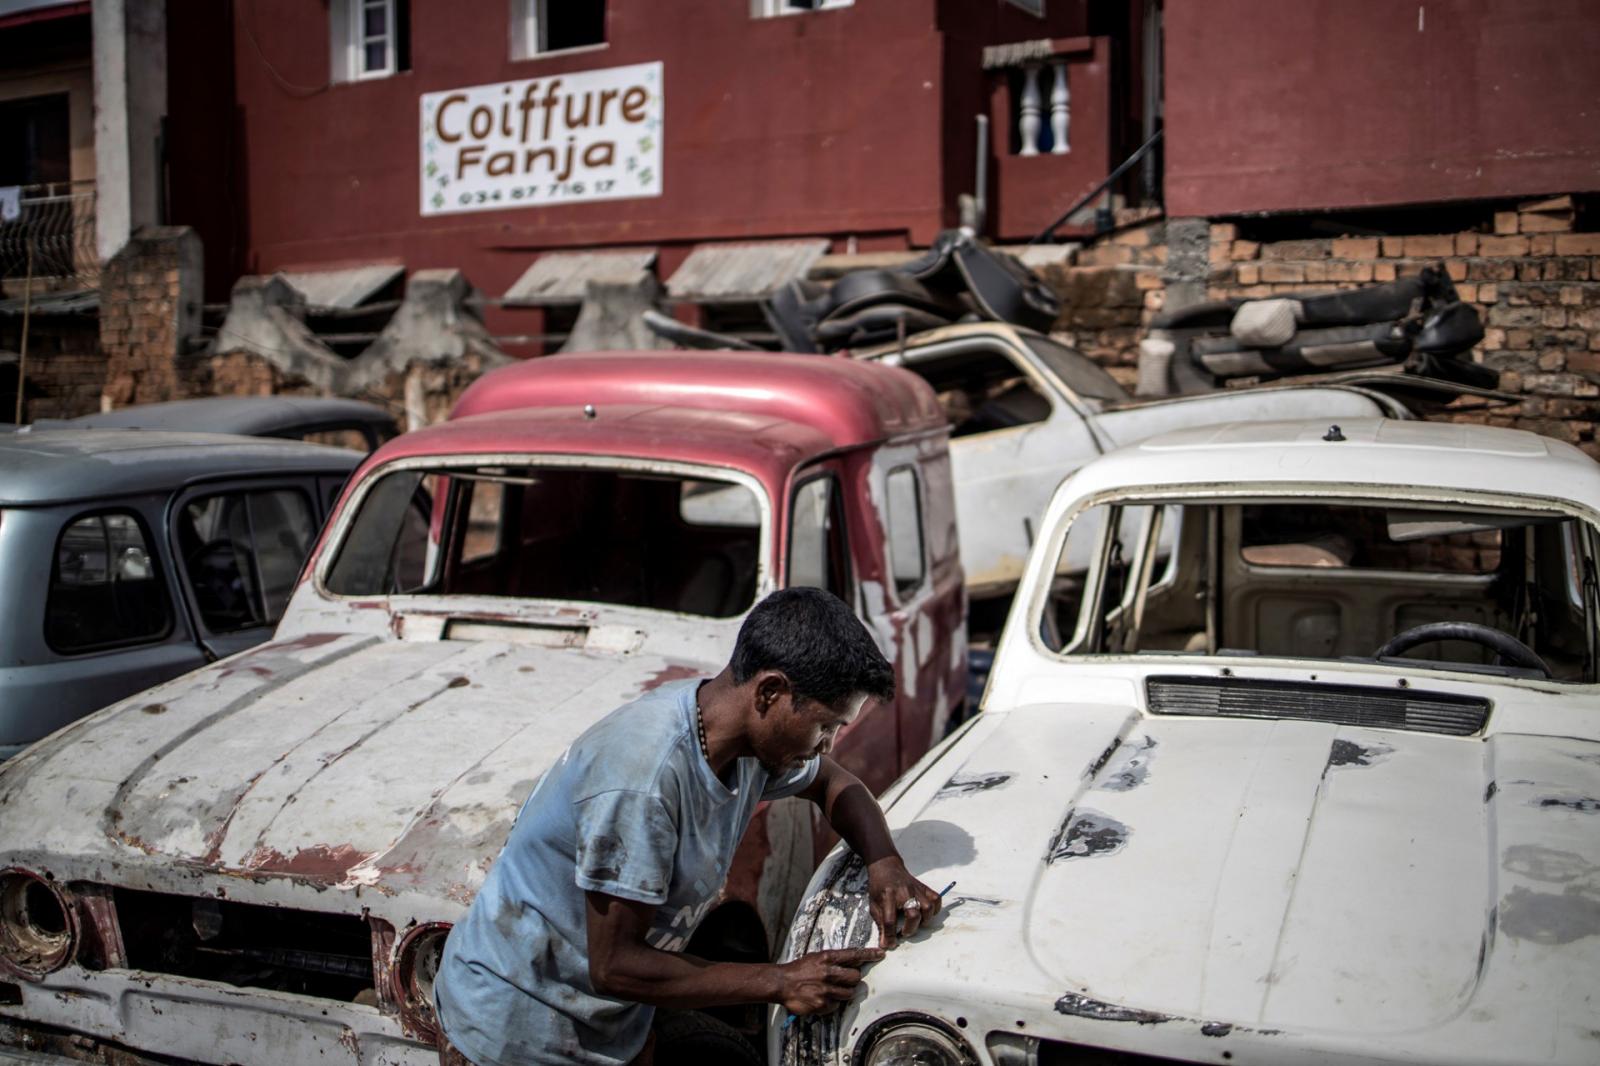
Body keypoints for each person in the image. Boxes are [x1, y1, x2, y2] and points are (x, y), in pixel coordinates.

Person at [433, 588, 943, 1066]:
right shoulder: (644, 780)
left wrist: (884, 863)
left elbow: (833, 783)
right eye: (826, 725)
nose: (827, 743)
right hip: (518, 1028)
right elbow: (615, 965)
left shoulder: (738, 740)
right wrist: (780, 981)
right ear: (770, 692)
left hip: (606, 1018)